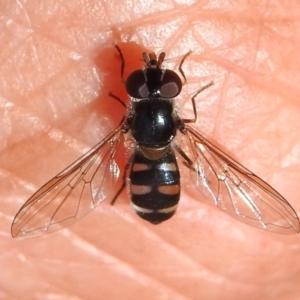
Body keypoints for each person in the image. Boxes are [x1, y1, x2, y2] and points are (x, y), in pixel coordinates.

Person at [2, 1, 300, 299]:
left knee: (95, 169)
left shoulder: (127, 121)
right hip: (158, 172)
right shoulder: (181, 122)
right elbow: (194, 126)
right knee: (227, 174)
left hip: (149, 170)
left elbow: (97, 157)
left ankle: (124, 183)